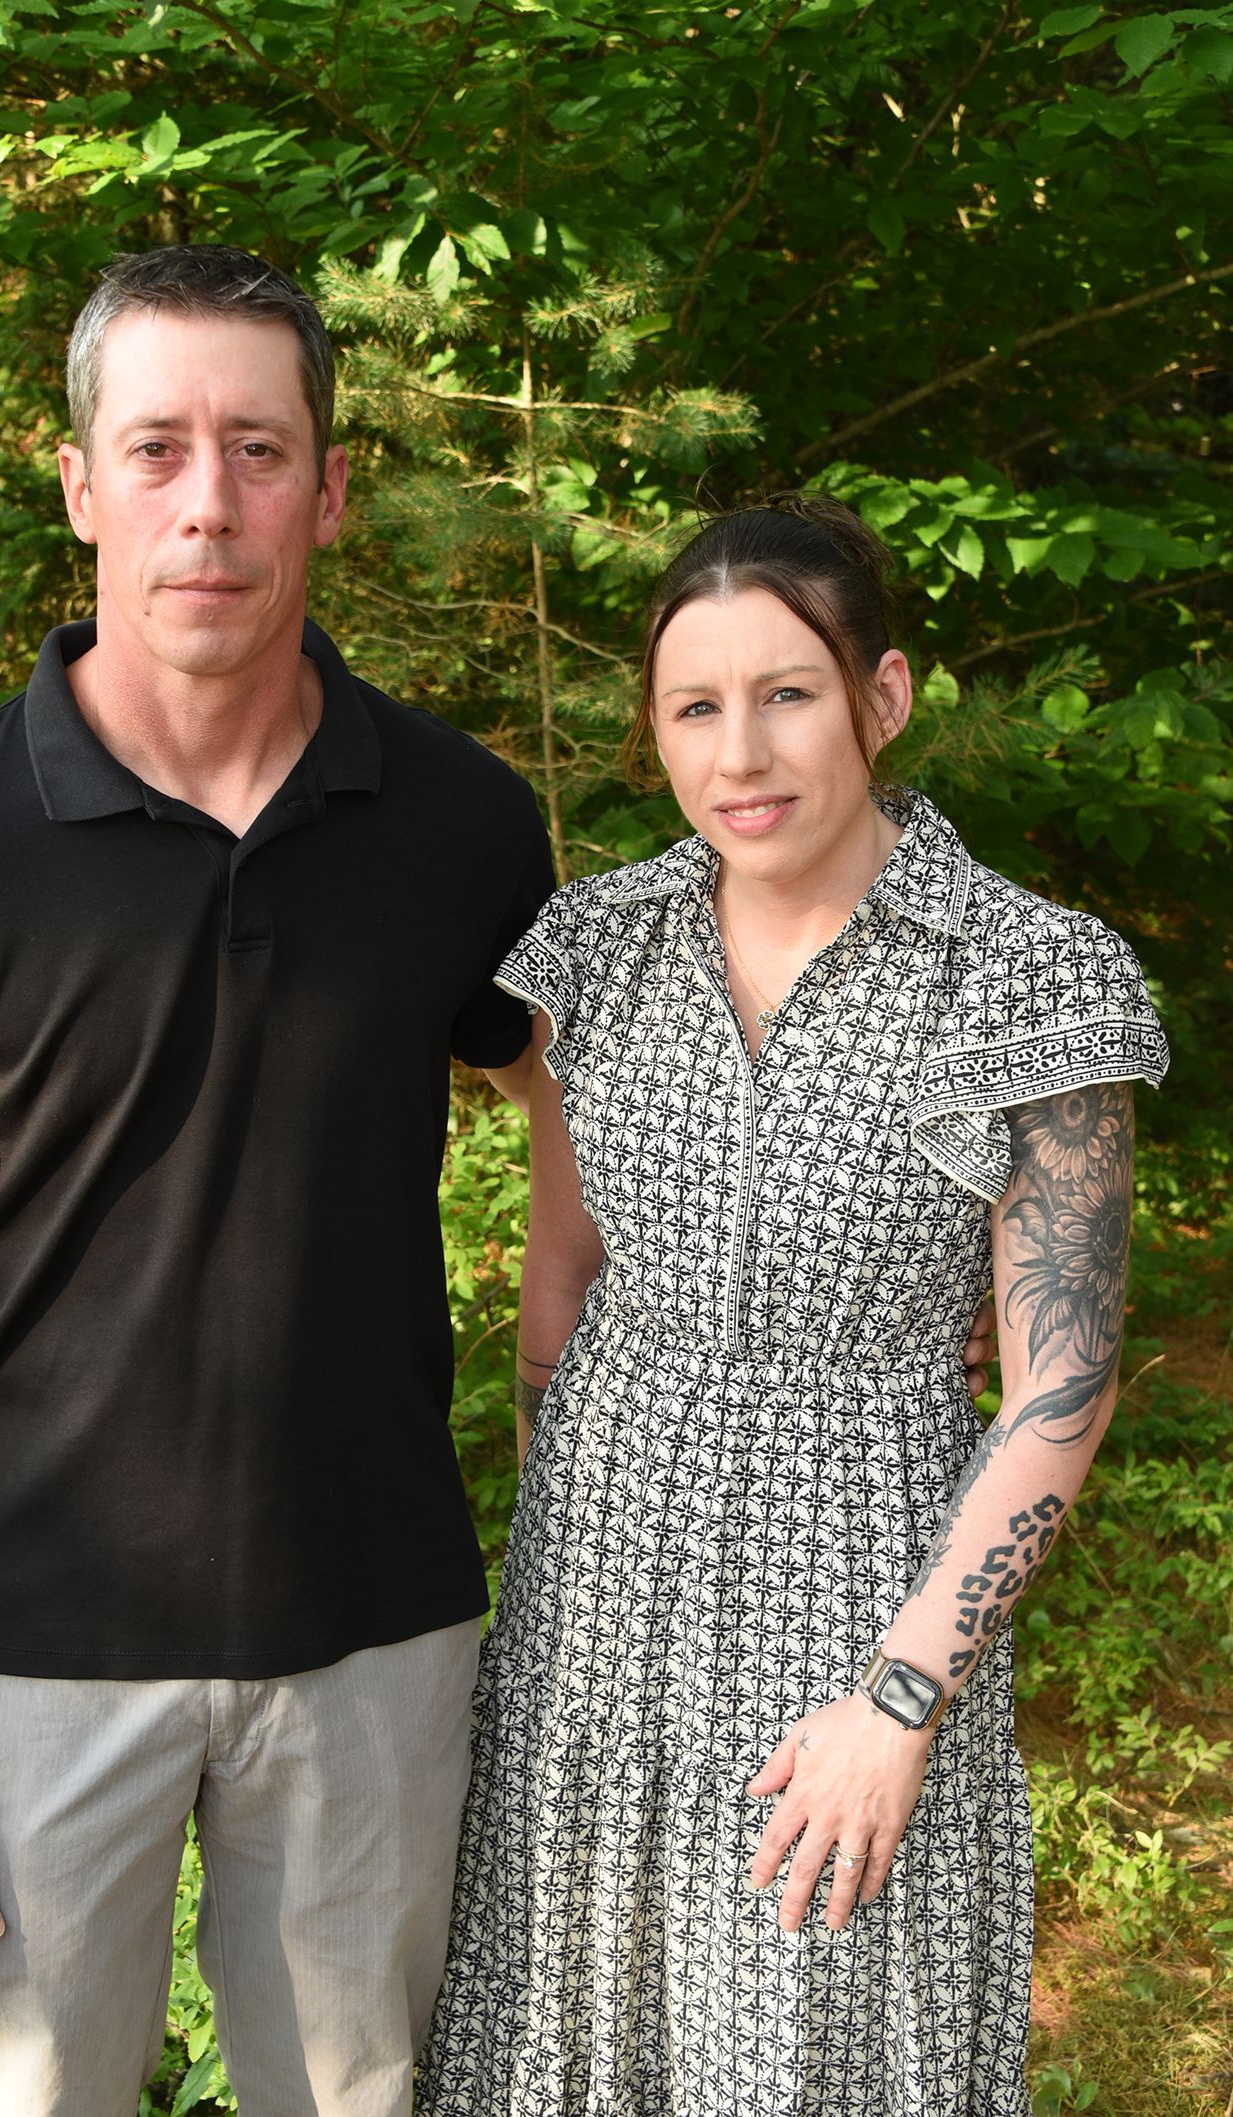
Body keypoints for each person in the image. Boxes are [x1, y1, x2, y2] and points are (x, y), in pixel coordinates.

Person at [0, 245, 557, 2117]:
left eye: (261, 448)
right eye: (158, 448)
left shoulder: (459, 824)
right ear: (80, 484)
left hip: (374, 1629)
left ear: (333, 487)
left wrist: (583, 1411)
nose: (210, 503)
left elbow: (590, 1103)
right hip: (27, 1652)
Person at [416, 497, 1169, 2116]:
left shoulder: (1030, 977)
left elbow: (1066, 1382)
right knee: (572, 2024)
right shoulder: (596, 950)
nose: (740, 751)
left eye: (789, 694)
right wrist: (562, 1537)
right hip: (597, 1592)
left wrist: (899, 1705)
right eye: (696, 706)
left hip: (864, 1588)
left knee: (826, 2020)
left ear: (882, 698)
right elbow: (564, 1276)